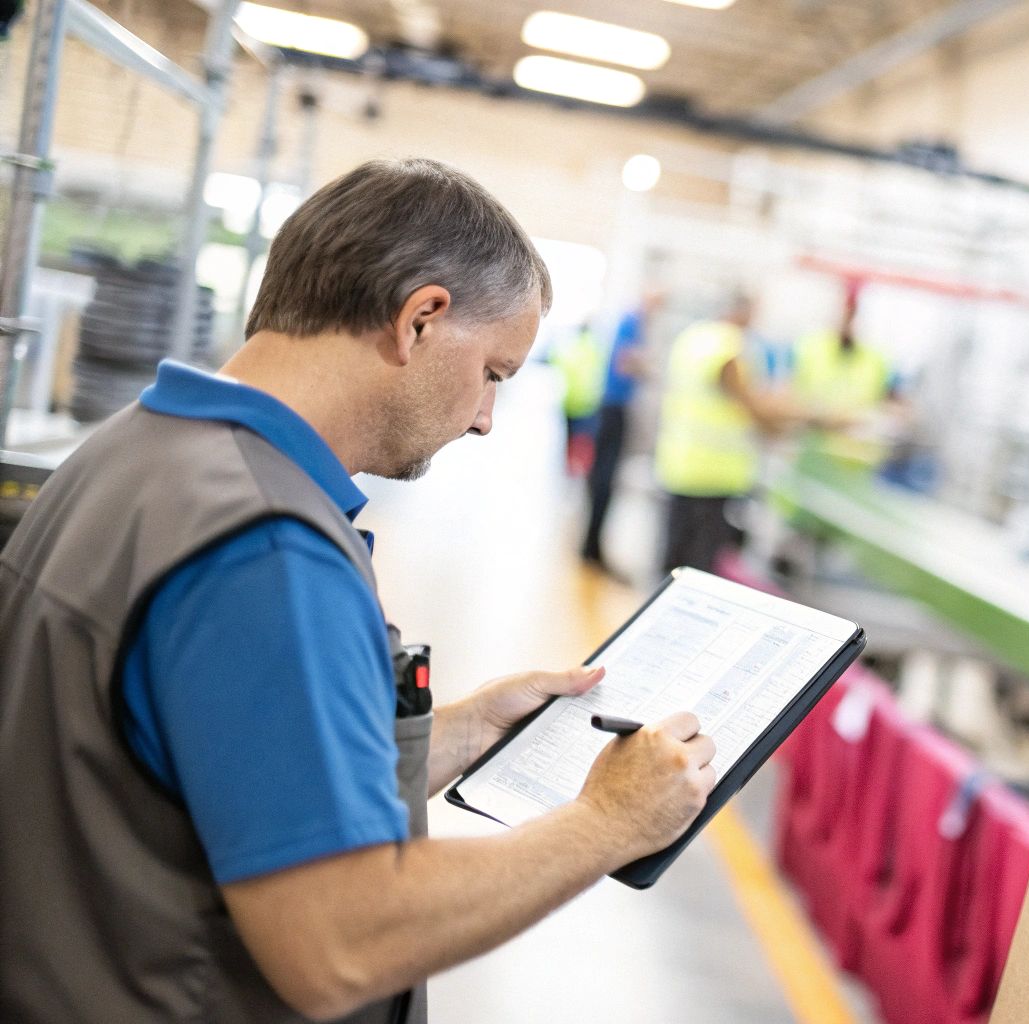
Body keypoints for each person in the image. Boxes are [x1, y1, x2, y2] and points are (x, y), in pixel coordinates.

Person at [0, 158, 716, 1023]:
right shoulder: (265, 550)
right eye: (493, 372)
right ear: (420, 318)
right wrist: (608, 822)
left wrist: (458, 732)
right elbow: (339, 945)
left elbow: (207, 751)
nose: (488, 417)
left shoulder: (138, 450)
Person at [651, 293, 802, 574]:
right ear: (742, 311)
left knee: (673, 560)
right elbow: (750, 404)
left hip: (679, 463)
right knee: (699, 566)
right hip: (713, 474)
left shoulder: (693, 338)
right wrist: (799, 418)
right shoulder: (728, 347)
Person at [580, 288, 663, 571]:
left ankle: (592, 546)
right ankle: (591, 548)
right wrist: (650, 368)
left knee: (604, 478)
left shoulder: (630, 322)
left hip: (612, 408)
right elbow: (625, 362)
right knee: (604, 479)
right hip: (613, 408)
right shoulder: (632, 322)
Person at [791, 284, 901, 471]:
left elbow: (891, 404)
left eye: (855, 313)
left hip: (853, 458)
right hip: (810, 450)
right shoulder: (809, 347)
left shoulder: (878, 359)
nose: (849, 321)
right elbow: (788, 396)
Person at [548, 322, 607, 475]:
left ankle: (571, 469)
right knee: (582, 443)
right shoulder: (594, 347)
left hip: (570, 404)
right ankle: (577, 470)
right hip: (586, 406)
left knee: (571, 443)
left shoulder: (570, 347)